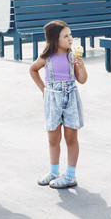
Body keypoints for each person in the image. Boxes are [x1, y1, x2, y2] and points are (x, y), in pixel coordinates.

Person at [29, 20, 88, 189]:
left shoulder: (73, 57)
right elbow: (32, 69)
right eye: (65, 36)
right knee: (53, 138)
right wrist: (43, 90)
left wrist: (82, 67)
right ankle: (54, 172)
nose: (70, 39)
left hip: (71, 98)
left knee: (71, 138)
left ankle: (70, 175)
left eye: (70, 35)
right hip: (52, 99)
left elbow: (82, 80)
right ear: (55, 40)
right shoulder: (46, 57)